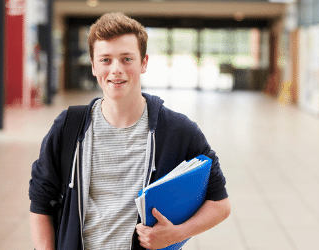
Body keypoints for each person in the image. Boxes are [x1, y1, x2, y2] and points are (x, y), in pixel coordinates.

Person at [29, 12, 230, 250]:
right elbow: (41, 202)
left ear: (144, 62)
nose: (116, 70)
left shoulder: (177, 131)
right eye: (105, 60)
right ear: (93, 65)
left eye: (126, 59)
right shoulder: (68, 127)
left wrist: (176, 234)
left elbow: (220, 204)